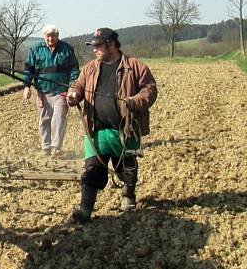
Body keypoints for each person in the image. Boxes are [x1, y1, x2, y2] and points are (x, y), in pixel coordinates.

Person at [66, 28, 158, 223]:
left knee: (126, 168)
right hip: (96, 130)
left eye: (98, 46)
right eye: (93, 46)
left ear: (111, 44)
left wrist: (134, 101)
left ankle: (128, 193)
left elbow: (150, 90)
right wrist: (73, 95)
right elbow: (77, 86)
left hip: (125, 129)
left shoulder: (135, 67)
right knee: (91, 170)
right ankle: (85, 210)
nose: (95, 50)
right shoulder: (90, 68)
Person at [22, 24, 80, 157]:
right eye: (48, 36)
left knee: (58, 119)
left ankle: (56, 148)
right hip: (43, 92)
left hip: (61, 91)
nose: (50, 38)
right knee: (45, 120)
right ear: (44, 37)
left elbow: (74, 70)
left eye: (53, 36)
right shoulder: (35, 50)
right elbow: (28, 69)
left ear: (58, 36)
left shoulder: (67, 49)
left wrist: (72, 88)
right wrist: (26, 86)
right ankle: (46, 147)